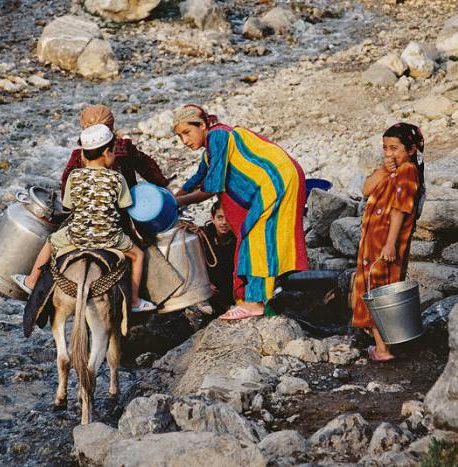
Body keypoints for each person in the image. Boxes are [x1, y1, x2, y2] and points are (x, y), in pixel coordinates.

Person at [173, 104, 309, 320]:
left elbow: (212, 186)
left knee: (257, 237)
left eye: (187, 133)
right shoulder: (211, 150)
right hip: (278, 180)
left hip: (275, 181)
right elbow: (197, 179)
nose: (184, 141)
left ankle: (254, 302)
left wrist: (177, 202)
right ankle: (268, 292)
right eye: (179, 136)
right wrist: (173, 197)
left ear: (202, 125)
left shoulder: (218, 136)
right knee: (267, 236)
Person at [13, 124, 156, 313]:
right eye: (112, 151)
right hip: (109, 237)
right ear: (107, 152)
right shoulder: (116, 178)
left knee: (50, 242)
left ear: (83, 154)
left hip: (77, 235)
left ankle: (31, 281)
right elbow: (125, 206)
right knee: (138, 255)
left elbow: (68, 206)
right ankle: (135, 301)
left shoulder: (74, 176)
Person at [351, 123, 425, 362]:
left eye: (395, 148)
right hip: (373, 240)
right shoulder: (388, 169)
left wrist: (391, 243)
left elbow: (400, 209)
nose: (389, 153)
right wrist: (383, 170)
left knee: (380, 287)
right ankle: (382, 344)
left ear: (412, 149)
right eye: (385, 148)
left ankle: (383, 349)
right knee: (371, 285)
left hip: (386, 240)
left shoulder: (408, 171)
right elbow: (365, 188)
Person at [60, 104, 169, 198]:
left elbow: (66, 184)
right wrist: (163, 185)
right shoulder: (124, 148)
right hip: (126, 206)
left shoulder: (78, 156)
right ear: (111, 127)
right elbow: (146, 166)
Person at [203, 200, 236, 313]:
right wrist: (205, 283)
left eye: (228, 217)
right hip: (209, 284)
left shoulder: (237, 238)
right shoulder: (203, 236)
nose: (224, 222)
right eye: (220, 218)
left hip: (229, 284)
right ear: (212, 219)